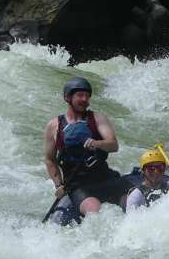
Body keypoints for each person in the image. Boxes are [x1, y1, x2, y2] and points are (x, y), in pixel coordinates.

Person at [43, 76, 130, 222]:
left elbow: (113, 145)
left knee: (134, 203)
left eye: (87, 96)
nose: (85, 99)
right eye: (80, 95)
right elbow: (49, 159)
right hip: (79, 186)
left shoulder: (97, 118)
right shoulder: (54, 126)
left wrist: (97, 143)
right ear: (68, 97)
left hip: (106, 178)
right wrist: (59, 184)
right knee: (95, 213)